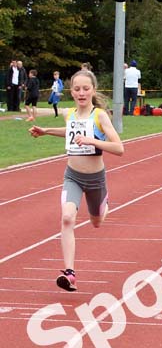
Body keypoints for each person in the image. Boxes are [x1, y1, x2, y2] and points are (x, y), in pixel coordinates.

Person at [28, 70, 124, 291]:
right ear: (71, 91)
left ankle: (104, 203)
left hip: (95, 179)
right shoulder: (68, 113)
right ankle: (70, 273)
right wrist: (46, 131)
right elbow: (70, 131)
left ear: (93, 90)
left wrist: (91, 140)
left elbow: (119, 148)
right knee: (67, 218)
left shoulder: (99, 115)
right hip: (72, 176)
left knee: (97, 222)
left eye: (86, 89)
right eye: (77, 89)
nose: (81, 93)